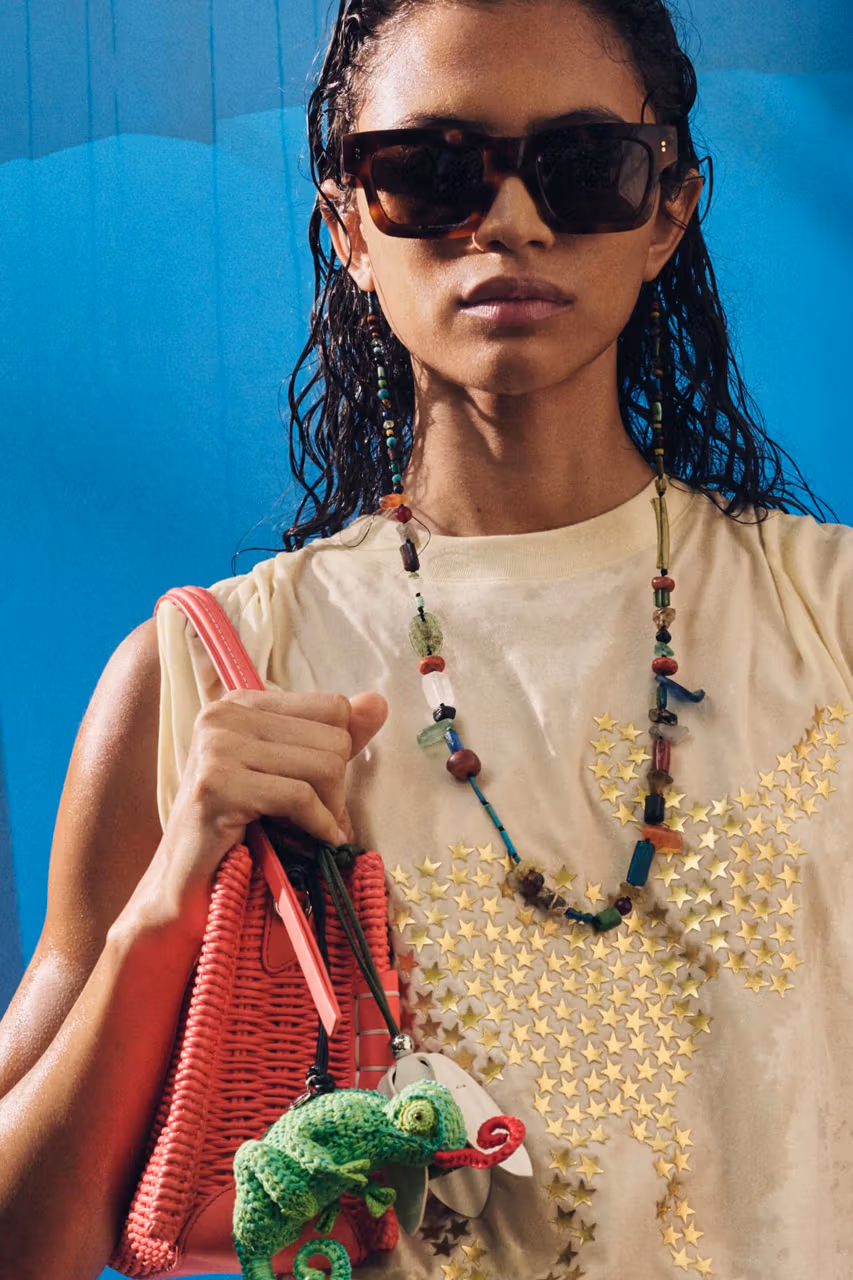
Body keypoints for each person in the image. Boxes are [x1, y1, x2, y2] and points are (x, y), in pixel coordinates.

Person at [1, 0, 852, 1276]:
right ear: (348, 223)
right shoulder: (212, 670)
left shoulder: (830, 617)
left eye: (583, 167)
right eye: (430, 171)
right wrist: (168, 902)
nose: (508, 221)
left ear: (669, 210)